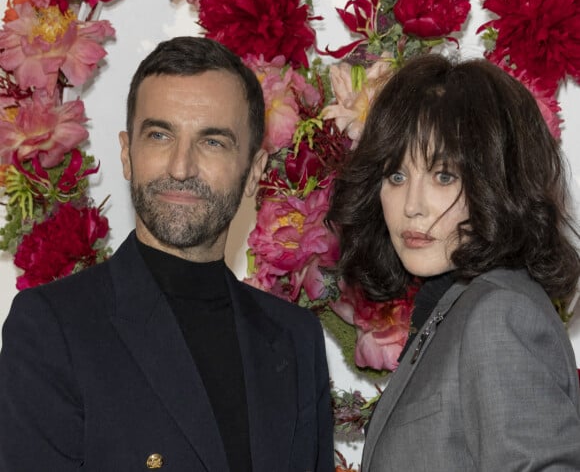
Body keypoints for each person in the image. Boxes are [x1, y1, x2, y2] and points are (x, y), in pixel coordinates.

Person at [0, 36, 334, 471]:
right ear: (127, 154)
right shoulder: (54, 329)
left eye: (213, 142)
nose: (181, 167)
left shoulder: (296, 337)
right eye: (159, 135)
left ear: (254, 172)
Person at [327, 54, 580, 471]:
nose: (412, 206)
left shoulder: (500, 314)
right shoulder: (454, 307)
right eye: (396, 175)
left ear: (498, 182)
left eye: (443, 176)